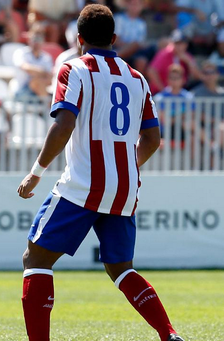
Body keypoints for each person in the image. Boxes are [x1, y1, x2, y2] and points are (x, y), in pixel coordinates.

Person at [16, 5, 184, 341]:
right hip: (124, 187)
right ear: (115, 38)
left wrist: (36, 172)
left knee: (35, 258)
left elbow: (64, 124)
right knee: (121, 268)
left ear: (79, 40)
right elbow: (152, 138)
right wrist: (125, 166)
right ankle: (169, 334)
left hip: (83, 184)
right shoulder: (137, 78)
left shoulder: (73, 69)